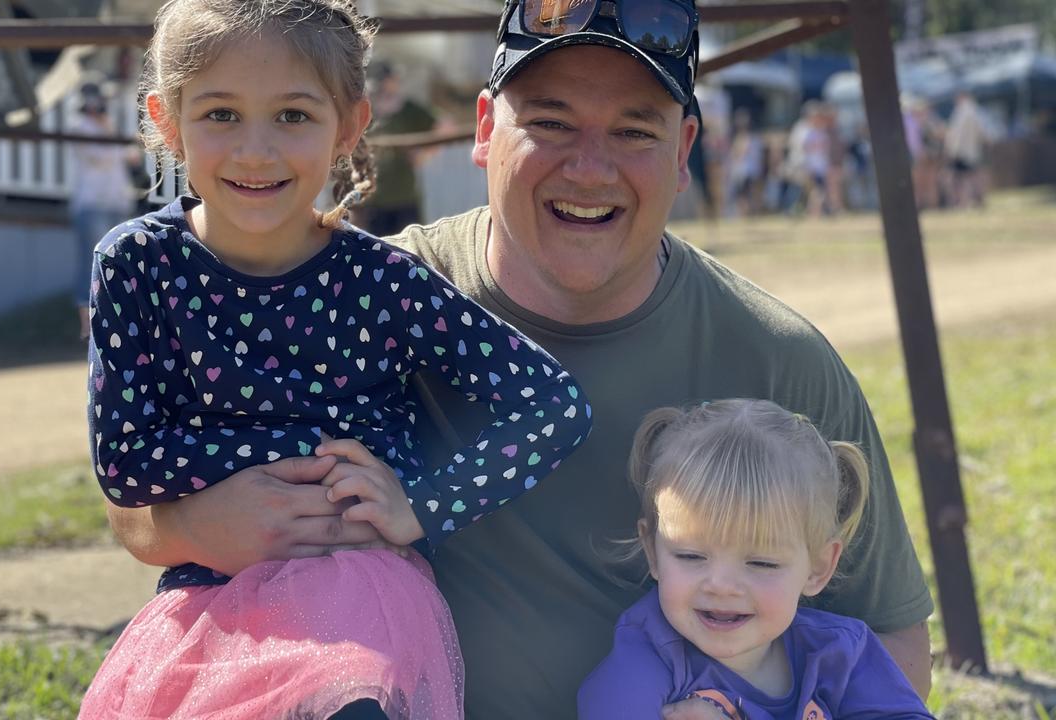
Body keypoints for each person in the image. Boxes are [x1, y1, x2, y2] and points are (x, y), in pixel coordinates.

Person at [105, 1, 935, 717]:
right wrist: (187, 527)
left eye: (633, 131)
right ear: (483, 130)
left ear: (684, 151)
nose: (588, 166)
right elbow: (137, 502)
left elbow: (884, 630)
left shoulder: (774, 359)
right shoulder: (368, 294)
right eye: (549, 123)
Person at [79, 1, 592, 718]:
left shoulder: (382, 280)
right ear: (168, 122)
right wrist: (236, 500)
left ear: (348, 126)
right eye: (220, 115)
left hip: (360, 588)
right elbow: (125, 460)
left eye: (293, 116)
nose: (256, 150)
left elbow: (553, 406)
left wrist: (422, 506)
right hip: (211, 596)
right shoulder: (137, 264)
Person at [578, 400, 934, 719]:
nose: (721, 585)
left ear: (819, 566)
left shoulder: (841, 652)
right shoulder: (645, 664)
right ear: (653, 551)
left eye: (761, 563)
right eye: (690, 555)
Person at [69, 80, 137, 341]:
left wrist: (109, 129)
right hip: (91, 204)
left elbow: (131, 156)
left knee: (119, 265)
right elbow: (104, 156)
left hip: (118, 201)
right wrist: (112, 137)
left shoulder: (107, 127)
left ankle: (115, 322)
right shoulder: (79, 128)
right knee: (90, 266)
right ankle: (87, 327)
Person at [362, 62, 439, 236]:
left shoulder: (407, 108)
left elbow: (443, 126)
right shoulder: (365, 109)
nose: (395, 85)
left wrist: (425, 154)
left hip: (404, 199)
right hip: (373, 201)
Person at [944, 90, 992, 209]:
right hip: (972, 151)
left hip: (961, 152)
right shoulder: (974, 111)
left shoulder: (962, 112)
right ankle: (976, 200)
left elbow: (956, 135)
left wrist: (952, 150)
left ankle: (964, 202)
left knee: (962, 178)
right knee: (972, 176)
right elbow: (982, 131)